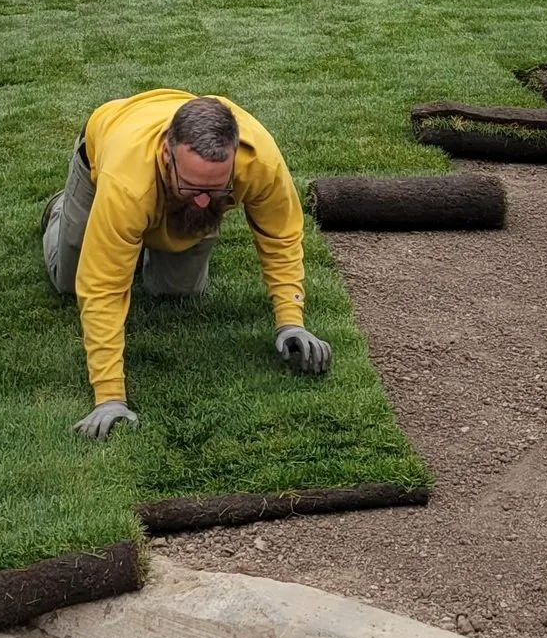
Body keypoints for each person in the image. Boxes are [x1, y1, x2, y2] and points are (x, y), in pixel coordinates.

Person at [41, 87, 332, 438]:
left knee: (178, 292)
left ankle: (139, 232)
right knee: (69, 282)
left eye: (216, 189)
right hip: (107, 146)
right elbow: (101, 287)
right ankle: (62, 211)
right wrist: (109, 397)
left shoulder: (259, 161)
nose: (203, 202)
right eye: (194, 187)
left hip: (151, 192)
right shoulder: (125, 184)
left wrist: (291, 321)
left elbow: (281, 235)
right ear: (167, 154)